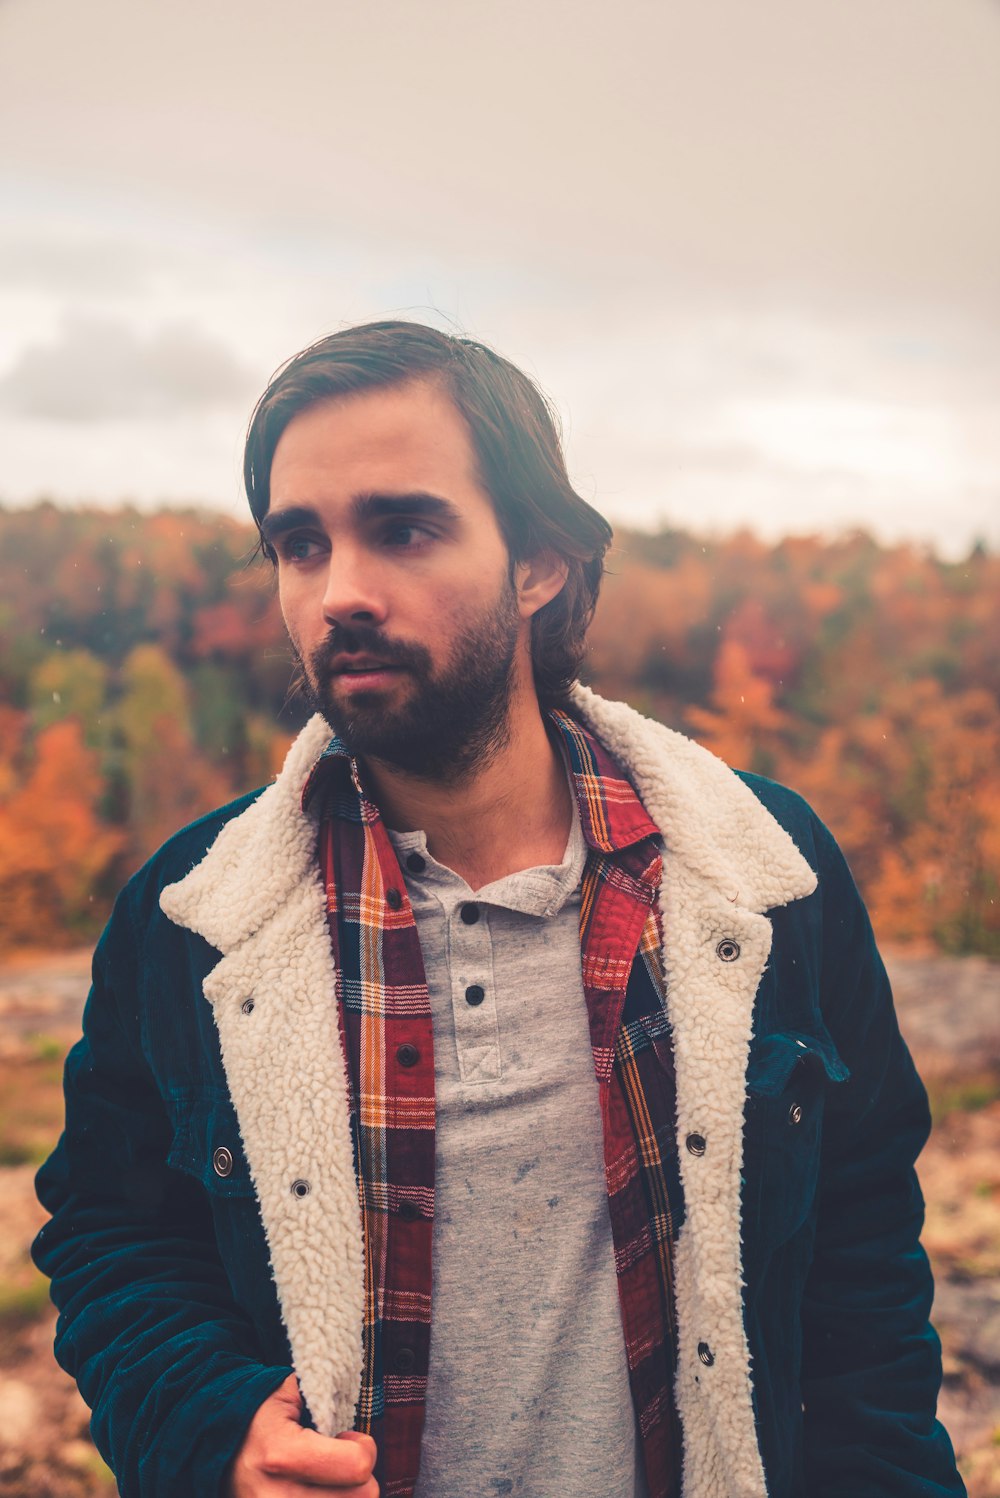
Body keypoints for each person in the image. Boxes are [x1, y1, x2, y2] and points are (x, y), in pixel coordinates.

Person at [33, 321, 964, 1498]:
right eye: (299, 544)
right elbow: (111, 1233)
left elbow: (859, 1249)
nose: (341, 592)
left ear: (540, 562)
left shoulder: (762, 875)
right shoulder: (192, 914)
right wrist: (209, 1427)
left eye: (404, 528)